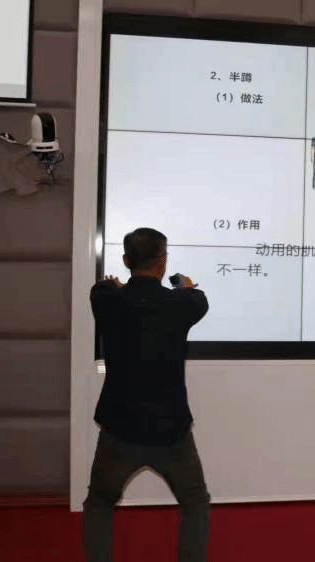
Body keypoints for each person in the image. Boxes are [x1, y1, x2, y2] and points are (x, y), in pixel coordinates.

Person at [83, 227, 211, 562]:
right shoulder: (182, 304)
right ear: (163, 262)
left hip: (118, 428)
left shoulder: (106, 300)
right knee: (195, 501)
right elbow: (197, 298)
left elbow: (102, 287)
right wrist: (183, 285)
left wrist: (117, 286)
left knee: (99, 503)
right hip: (171, 432)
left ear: (126, 260)